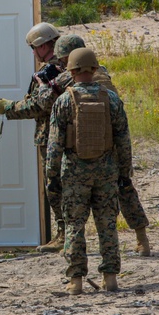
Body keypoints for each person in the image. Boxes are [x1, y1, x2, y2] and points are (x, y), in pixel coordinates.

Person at [39, 34, 152, 257]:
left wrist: (44, 85)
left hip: (85, 152)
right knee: (125, 190)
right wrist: (125, 163)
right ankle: (142, 239)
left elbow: (44, 101)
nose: (60, 65)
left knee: (75, 207)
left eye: (62, 61)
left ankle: (68, 244)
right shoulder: (102, 71)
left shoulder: (70, 77)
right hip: (111, 143)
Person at [46, 47, 133, 295]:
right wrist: (124, 172)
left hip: (74, 171)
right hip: (106, 171)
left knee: (74, 225)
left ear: (71, 71)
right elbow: (124, 141)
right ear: (94, 69)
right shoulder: (112, 99)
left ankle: (75, 281)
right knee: (107, 224)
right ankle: (110, 277)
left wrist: (51, 176)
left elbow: (54, 145)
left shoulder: (63, 101)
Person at [0, 22, 64, 252]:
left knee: (55, 187)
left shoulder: (48, 73)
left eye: (34, 48)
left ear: (45, 46)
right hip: (75, 136)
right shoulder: (73, 67)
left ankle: (64, 235)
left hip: (52, 138)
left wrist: (10, 108)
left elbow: (38, 105)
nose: (34, 53)